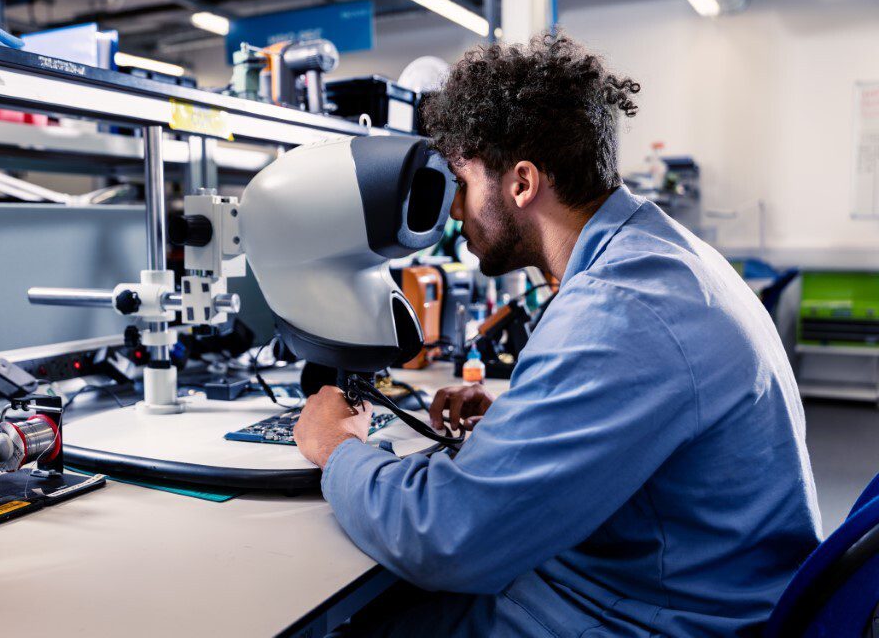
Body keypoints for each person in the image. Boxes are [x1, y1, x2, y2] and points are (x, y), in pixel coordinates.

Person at [293, 32, 821, 636]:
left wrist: (336, 447)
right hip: (663, 587)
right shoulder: (658, 256)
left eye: (464, 183)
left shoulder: (621, 307)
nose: (457, 211)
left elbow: (445, 538)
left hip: (647, 620)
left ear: (521, 183)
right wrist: (525, 417)